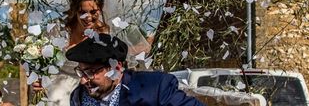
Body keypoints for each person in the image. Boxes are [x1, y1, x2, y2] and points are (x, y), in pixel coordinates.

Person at [66, 34, 205, 106]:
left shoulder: (155, 88)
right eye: (81, 72)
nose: (83, 80)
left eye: (90, 72)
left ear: (117, 67)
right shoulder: (78, 97)